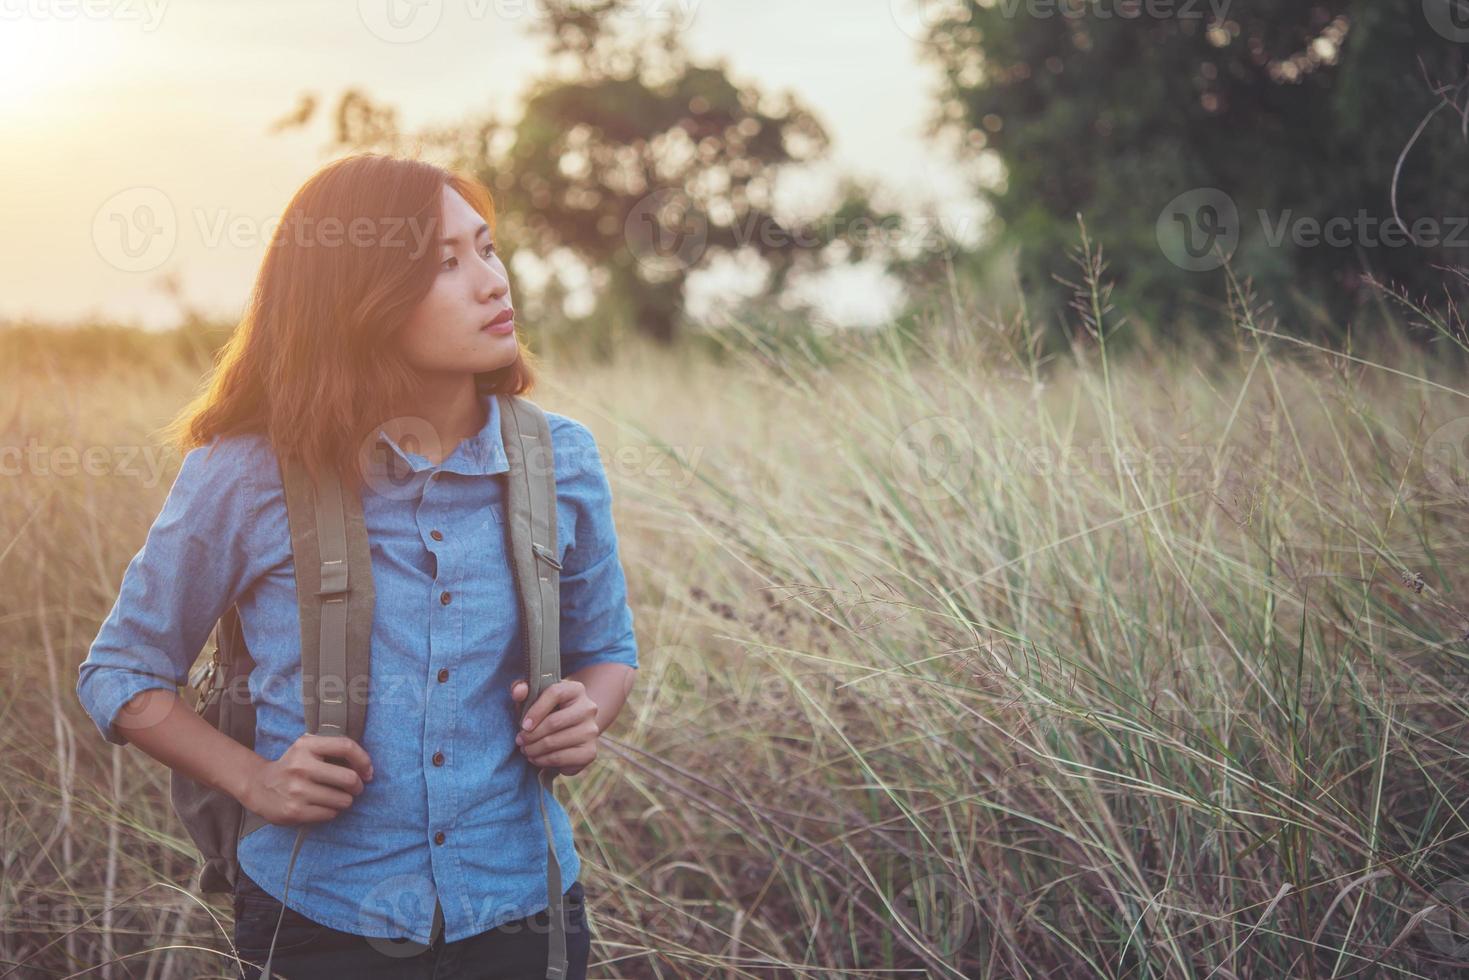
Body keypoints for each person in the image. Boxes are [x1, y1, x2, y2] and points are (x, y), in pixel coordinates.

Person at [74, 152, 640, 979]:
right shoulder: (244, 474)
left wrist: (583, 714)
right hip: (317, 917)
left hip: (525, 907)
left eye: (486, 248)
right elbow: (120, 672)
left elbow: (609, 651)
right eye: (446, 263)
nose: (492, 282)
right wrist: (256, 782)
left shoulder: (563, 460)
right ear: (359, 300)